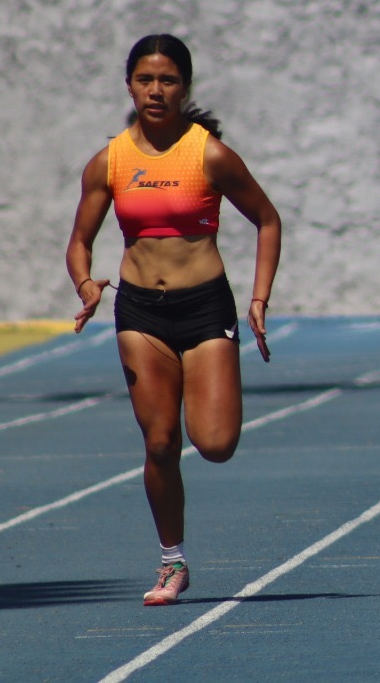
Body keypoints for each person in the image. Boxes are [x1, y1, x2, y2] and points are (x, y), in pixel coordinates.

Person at [66, 34, 281, 607]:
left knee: (214, 443)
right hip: (140, 310)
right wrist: (86, 285)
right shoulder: (111, 160)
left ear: (185, 87)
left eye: (167, 80)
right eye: (144, 80)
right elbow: (79, 243)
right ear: (129, 85)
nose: (156, 91)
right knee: (160, 441)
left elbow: (267, 219)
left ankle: (213, 382)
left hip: (206, 307)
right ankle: (172, 561)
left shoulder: (207, 153)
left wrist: (258, 299)